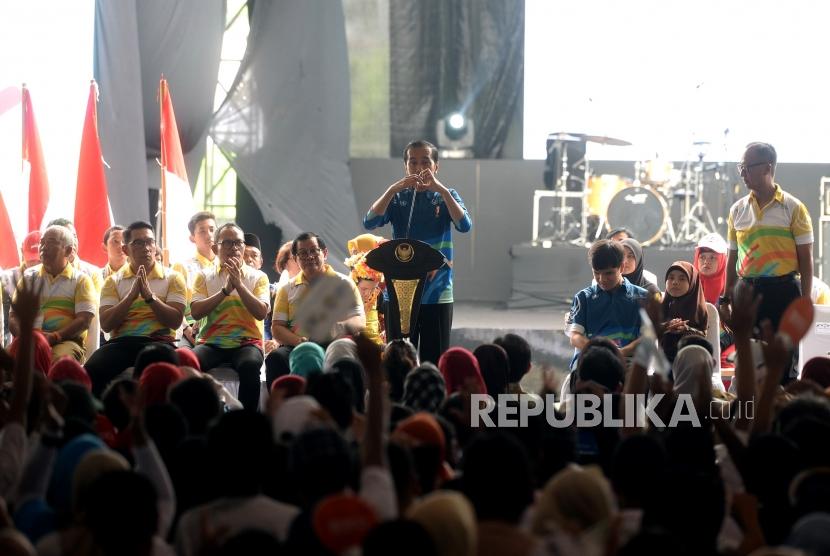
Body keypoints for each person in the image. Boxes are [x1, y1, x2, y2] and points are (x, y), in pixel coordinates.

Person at [363, 139, 472, 363]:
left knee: (435, 359)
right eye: (412, 162)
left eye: (425, 161)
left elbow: (464, 225)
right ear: (406, 167)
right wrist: (394, 189)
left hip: (437, 293)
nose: (419, 167)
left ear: (436, 166)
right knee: (399, 359)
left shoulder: (446, 195)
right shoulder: (398, 197)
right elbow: (370, 221)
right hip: (399, 291)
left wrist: (440, 189)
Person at [721, 143, 813, 380]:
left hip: (783, 292)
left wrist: (804, 302)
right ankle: (751, 415)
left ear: (767, 168)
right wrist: (725, 299)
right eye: (741, 167)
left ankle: (779, 414)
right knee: (748, 364)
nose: (742, 173)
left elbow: (806, 259)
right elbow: (732, 259)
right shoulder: (737, 210)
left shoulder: (794, 208)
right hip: (747, 292)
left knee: (782, 363)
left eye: (747, 167)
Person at [84, 221, 186, 397]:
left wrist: (149, 297)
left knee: (161, 376)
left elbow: (175, 321)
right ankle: (103, 420)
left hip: (159, 342)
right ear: (125, 250)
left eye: (150, 242)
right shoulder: (113, 281)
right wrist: (130, 297)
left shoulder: (173, 278)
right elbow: (107, 325)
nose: (146, 248)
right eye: (138, 243)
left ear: (155, 246)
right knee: (91, 370)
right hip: (122, 342)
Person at [263, 232, 365, 388]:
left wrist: (336, 327)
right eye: (303, 253)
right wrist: (300, 341)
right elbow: (277, 328)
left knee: (345, 358)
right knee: (276, 358)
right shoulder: (286, 289)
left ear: (324, 253)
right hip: (297, 344)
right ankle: (284, 408)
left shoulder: (344, 283)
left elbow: (359, 321)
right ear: (296, 258)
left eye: (314, 251)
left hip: (334, 343)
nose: (309, 256)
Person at [190, 224, 270, 411]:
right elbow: (196, 312)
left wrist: (239, 286)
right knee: (191, 362)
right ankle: (203, 417)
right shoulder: (203, 276)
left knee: (250, 365)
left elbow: (261, 313)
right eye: (227, 243)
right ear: (215, 248)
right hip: (211, 342)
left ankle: (245, 424)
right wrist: (225, 291)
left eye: (238, 243)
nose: (234, 248)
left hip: (247, 342)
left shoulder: (259, 277)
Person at [9, 225, 96, 362]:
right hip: (29, 340)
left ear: (68, 251)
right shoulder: (28, 277)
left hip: (65, 341)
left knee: (59, 362)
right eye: (42, 242)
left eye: (51, 242)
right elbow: (13, 317)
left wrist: (54, 337)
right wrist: (26, 336)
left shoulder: (81, 280)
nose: (43, 247)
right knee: (7, 361)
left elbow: (84, 321)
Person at [565, 240, 647, 370]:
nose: (602, 279)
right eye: (596, 273)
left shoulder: (643, 297)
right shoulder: (583, 298)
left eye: (608, 273)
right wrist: (601, 352)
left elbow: (648, 338)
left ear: (621, 267)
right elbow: (575, 337)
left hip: (628, 363)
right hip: (591, 362)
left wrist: (621, 353)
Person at [173, 211, 218, 346]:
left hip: (220, 327)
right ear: (192, 238)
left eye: (212, 229)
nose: (209, 235)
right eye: (202, 231)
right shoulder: (182, 266)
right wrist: (187, 330)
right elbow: (175, 307)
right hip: (190, 329)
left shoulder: (225, 265)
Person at [661, 261, 708, 363]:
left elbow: (703, 334)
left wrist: (686, 329)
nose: (675, 282)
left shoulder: (698, 308)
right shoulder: (662, 306)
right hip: (664, 363)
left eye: (682, 279)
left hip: (692, 362)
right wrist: (667, 326)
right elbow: (651, 332)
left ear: (692, 282)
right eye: (671, 277)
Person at [694, 233, 728, 306]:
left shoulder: (731, 290)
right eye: (702, 257)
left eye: (712, 257)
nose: (706, 262)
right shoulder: (687, 285)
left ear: (722, 260)